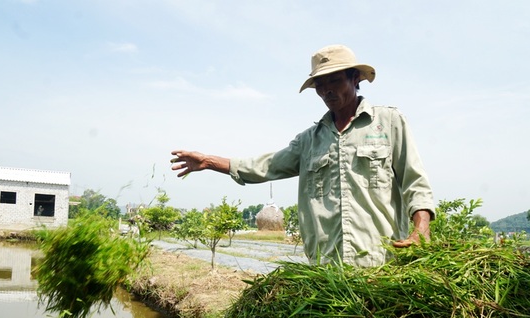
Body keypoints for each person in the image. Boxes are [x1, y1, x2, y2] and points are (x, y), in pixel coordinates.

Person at [171, 44, 435, 267]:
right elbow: (263, 166)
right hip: (326, 270)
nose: (326, 90)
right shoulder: (309, 141)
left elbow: (415, 182)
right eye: (319, 84)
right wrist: (208, 161)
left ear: (355, 77)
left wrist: (421, 229)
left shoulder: (389, 122)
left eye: (334, 80)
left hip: (381, 263)